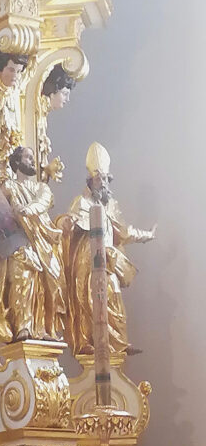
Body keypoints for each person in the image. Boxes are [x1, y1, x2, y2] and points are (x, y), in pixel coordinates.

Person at [61, 142, 156, 357]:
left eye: (105, 179)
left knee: (113, 295)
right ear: (90, 182)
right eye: (98, 179)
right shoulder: (81, 202)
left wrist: (147, 235)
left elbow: (124, 231)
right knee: (86, 298)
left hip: (107, 259)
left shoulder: (111, 205)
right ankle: (86, 341)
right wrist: (67, 224)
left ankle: (118, 343)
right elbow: (70, 222)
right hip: (86, 260)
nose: (103, 183)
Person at [0, 146, 66, 343]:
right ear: (17, 162)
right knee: (22, 283)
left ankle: (43, 329)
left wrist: (25, 210)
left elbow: (43, 202)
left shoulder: (42, 188)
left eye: (33, 157)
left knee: (47, 286)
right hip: (19, 243)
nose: (33, 161)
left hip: (42, 244)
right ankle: (23, 327)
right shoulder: (10, 187)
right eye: (28, 157)